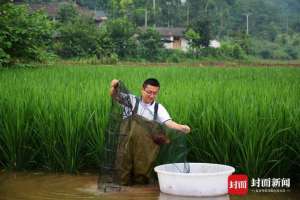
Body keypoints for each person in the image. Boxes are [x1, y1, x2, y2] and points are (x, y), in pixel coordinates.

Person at [110, 78, 191, 185]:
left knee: (142, 177)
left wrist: (181, 127)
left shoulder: (158, 108)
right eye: (149, 92)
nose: (152, 96)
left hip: (145, 150)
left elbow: (169, 123)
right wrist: (114, 84)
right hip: (126, 146)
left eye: (155, 93)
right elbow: (114, 95)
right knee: (122, 173)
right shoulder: (131, 101)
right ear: (142, 90)